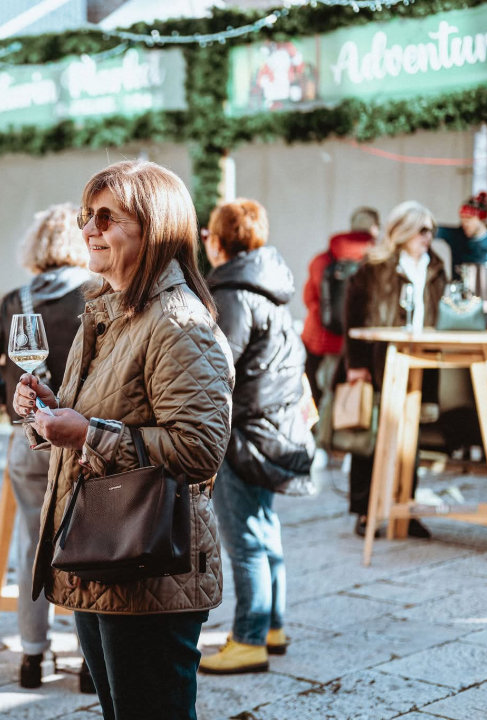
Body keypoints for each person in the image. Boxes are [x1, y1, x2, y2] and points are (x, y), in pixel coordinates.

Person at [13, 161, 234, 720]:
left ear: (154, 229)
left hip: (149, 561)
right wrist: (48, 412)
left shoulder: (177, 322)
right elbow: (107, 415)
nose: (89, 228)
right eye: (88, 215)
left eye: (108, 217)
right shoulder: (111, 311)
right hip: (104, 555)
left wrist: (87, 432)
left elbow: (198, 449)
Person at [197, 199, 314, 675]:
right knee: (264, 530)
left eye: (209, 233)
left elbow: (217, 369)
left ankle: (248, 639)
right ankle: (271, 627)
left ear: (218, 240)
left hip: (242, 433)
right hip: (273, 429)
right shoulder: (270, 287)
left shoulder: (230, 294)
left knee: (244, 538)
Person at [0, 203, 94, 690]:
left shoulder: (17, 299)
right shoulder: (97, 293)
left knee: (32, 543)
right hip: (85, 437)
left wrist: (7, 405)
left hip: (27, 439)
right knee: (91, 545)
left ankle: (32, 655)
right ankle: (90, 661)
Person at [343, 201, 447, 539]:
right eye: (422, 230)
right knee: (371, 439)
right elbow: (352, 316)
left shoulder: (436, 267)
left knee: (410, 440)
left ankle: (406, 510)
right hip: (380, 362)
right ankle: (365, 510)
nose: (428, 237)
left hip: (422, 363)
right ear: (403, 231)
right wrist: (356, 364)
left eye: (431, 230)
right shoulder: (374, 267)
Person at [301, 207, 379, 407]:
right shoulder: (377, 260)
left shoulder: (322, 259)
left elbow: (309, 297)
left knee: (322, 394)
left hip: (321, 337)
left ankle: (323, 424)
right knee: (353, 399)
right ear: (374, 229)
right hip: (357, 341)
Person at [436, 191, 487, 271]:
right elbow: (431, 230)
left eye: (469, 218)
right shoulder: (456, 237)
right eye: (462, 218)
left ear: (482, 219)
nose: (465, 223)